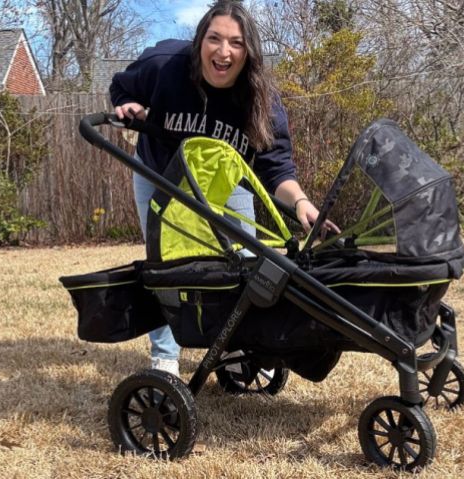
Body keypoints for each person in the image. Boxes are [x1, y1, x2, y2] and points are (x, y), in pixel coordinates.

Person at [109, 0, 337, 377]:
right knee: (166, 266)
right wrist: (128, 105)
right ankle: (165, 357)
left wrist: (300, 203)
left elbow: (275, 166)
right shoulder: (164, 65)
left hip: (225, 182)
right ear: (200, 41)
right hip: (162, 178)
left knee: (245, 264)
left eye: (236, 42)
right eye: (214, 39)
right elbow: (121, 86)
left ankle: (234, 348)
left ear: (249, 52)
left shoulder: (260, 100)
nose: (224, 51)